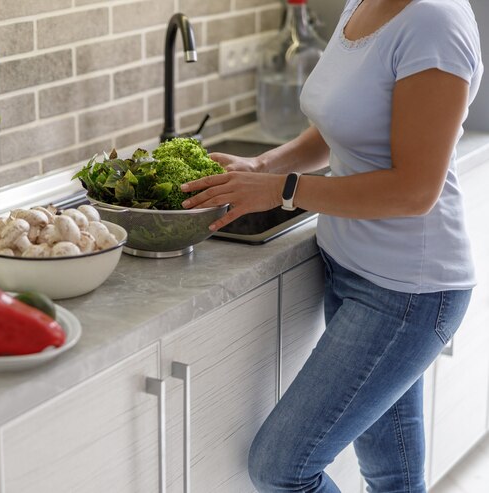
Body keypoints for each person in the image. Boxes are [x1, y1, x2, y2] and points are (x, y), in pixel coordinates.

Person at [181, 0, 483, 491]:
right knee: (393, 478)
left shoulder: (434, 21)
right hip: (350, 268)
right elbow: (339, 123)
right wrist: (264, 166)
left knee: (281, 469)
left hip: (409, 289)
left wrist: (285, 189)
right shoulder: (361, 3)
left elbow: (414, 191)